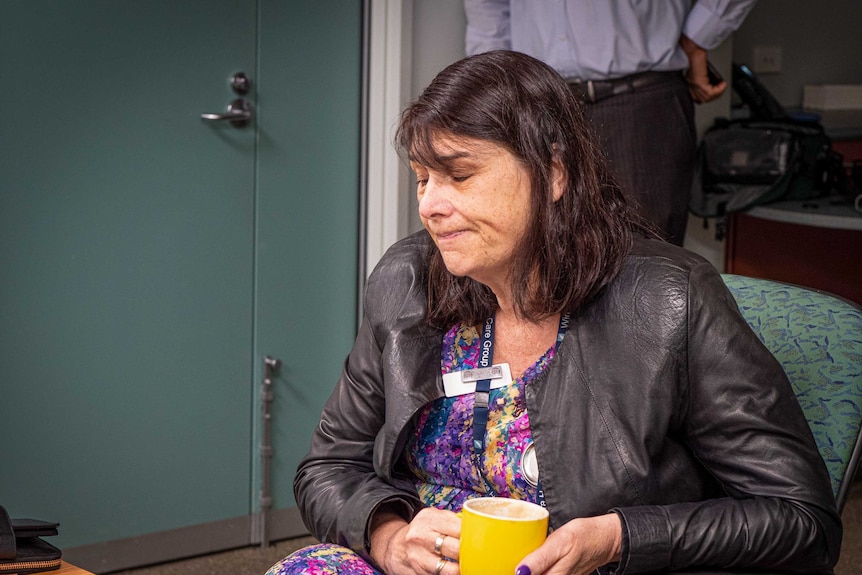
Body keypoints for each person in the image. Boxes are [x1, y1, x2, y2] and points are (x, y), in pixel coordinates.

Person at [266, 51, 840, 575]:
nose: (431, 207)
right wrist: (388, 536)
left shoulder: (672, 300)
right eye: (422, 179)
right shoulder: (407, 280)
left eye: (460, 176)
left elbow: (801, 520)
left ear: (555, 174)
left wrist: (621, 539)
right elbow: (327, 468)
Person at [463, 0, 759, 246]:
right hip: (538, 104)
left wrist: (698, 37)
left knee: (644, 255)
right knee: (546, 252)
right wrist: (494, 81)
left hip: (639, 103)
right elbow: (489, 9)